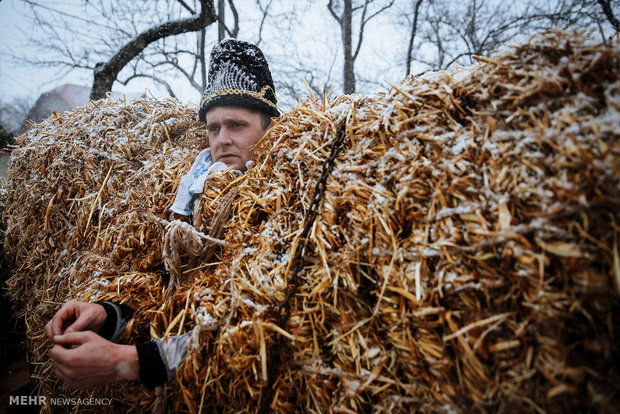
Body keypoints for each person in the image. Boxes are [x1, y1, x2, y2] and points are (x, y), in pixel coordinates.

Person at [45, 38, 279, 390]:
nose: (222, 139)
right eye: (213, 128)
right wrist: (109, 315)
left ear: (269, 130)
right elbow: (159, 281)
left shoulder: (283, 199)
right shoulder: (187, 193)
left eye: (237, 125)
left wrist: (129, 362)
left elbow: (259, 332)